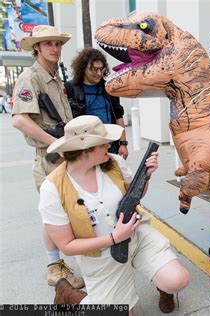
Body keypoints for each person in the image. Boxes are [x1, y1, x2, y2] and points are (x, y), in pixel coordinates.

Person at [38, 115, 189, 313]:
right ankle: (70, 295)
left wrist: (147, 176)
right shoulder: (52, 188)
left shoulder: (114, 162)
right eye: (104, 143)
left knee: (177, 280)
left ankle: (164, 286)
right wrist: (113, 237)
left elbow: (135, 197)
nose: (110, 145)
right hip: (100, 253)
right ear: (86, 151)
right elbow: (67, 246)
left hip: (136, 235)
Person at [11, 25, 84, 289]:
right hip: (49, 159)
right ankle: (55, 268)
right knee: (54, 215)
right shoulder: (30, 77)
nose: (55, 48)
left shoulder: (55, 76)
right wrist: (56, 144)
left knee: (69, 211)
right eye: (49, 44)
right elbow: (20, 120)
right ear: (37, 48)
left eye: (58, 43)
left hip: (66, 157)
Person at [67, 48, 129, 159]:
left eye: (102, 69)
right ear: (84, 68)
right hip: (85, 149)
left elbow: (118, 116)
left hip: (110, 146)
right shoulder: (71, 88)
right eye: (94, 69)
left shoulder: (109, 87)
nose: (99, 73)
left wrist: (123, 144)